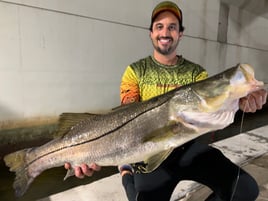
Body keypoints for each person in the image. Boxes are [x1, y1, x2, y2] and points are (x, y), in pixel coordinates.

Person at [65, 1, 268, 200]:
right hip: (150, 152)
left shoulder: (196, 73)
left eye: (172, 27)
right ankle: (126, 172)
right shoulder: (135, 71)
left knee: (245, 189)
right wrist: (92, 151)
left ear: (180, 33)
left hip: (188, 148)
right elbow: (125, 118)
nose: (165, 32)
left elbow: (211, 111)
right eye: (159, 27)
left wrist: (240, 102)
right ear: (151, 33)